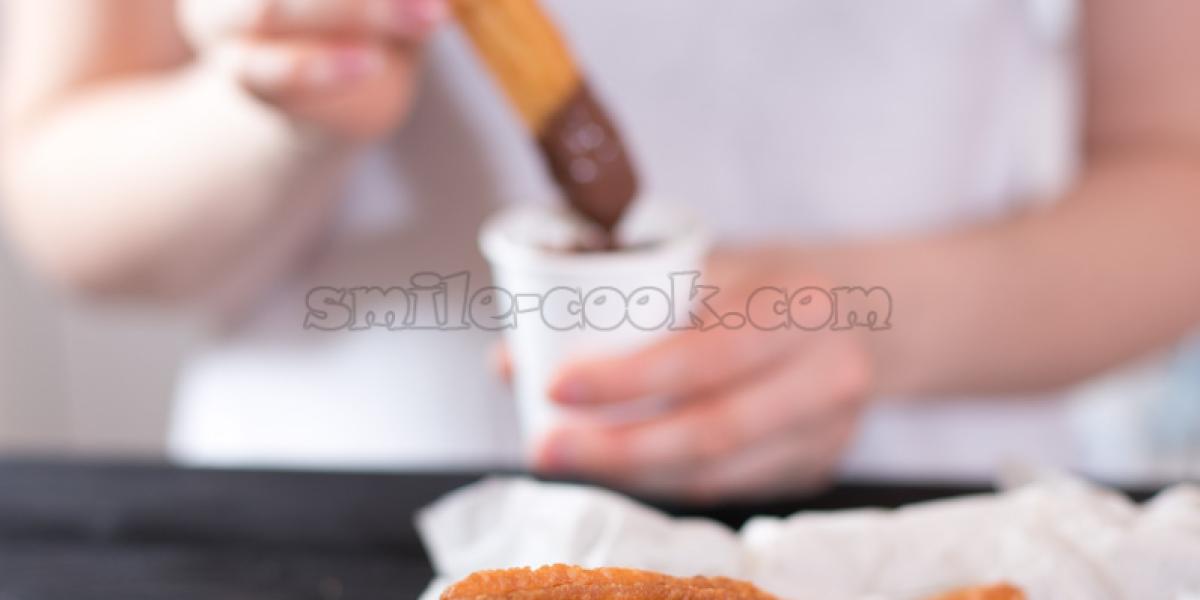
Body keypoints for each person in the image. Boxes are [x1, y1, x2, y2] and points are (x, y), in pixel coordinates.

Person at [3, 0, 1199, 500]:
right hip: (342, 527)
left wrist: (886, 324)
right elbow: (59, 191)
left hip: (923, 531)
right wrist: (277, 102)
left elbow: (1174, 167)